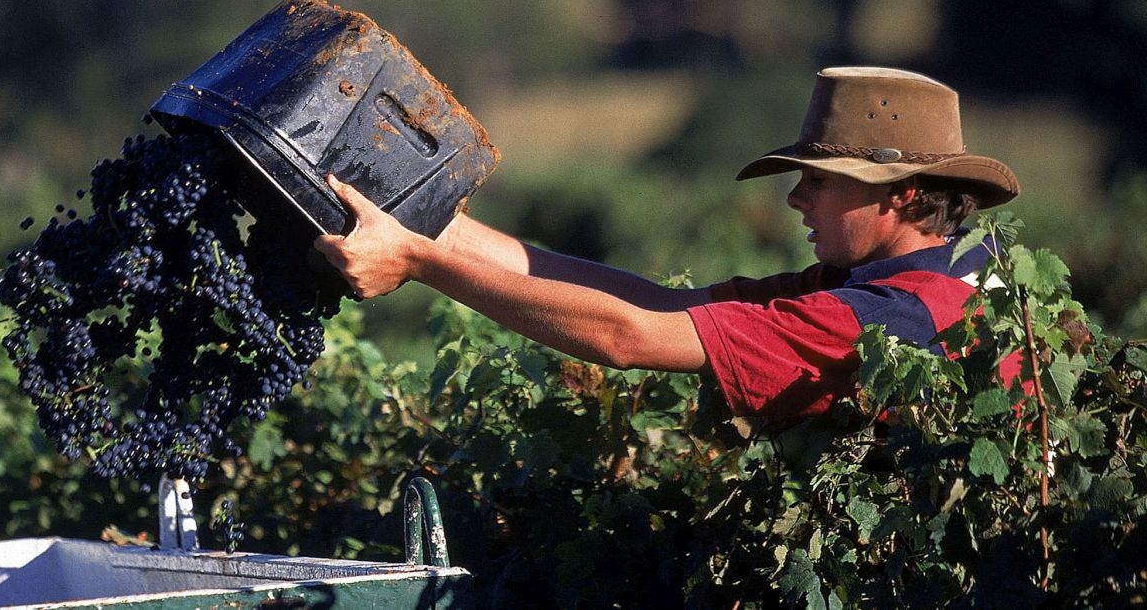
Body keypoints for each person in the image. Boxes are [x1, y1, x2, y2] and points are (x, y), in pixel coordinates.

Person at [313, 66, 1020, 425]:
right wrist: (440, 228)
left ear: (898, 193)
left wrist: (422, 261)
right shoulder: (938, 277)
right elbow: (655, 302)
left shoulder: (886, 319)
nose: (796, 199)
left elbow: (629, 334)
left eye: (818, 182)